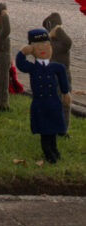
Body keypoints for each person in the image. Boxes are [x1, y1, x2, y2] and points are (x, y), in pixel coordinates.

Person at [16, 28, 71, 164]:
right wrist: (23, 52)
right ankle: (48, 153)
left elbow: (63, 78)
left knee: (53, 128)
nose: (43, 49)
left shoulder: (56, 67)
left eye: (46, 45)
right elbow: (20, 64)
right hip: (40, 104)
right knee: (44, 130)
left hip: (54, 103)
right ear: (31, 48)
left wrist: (65, 92)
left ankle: (54, 149)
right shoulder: (32, 67)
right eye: (37, 46)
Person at [42, 12, 72, 131]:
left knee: (64, 102)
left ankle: (63, 128)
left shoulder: (62, 42)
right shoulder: (50, 41)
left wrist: (58, 29)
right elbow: (44, 24)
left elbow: (68, 42)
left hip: (63, 76)